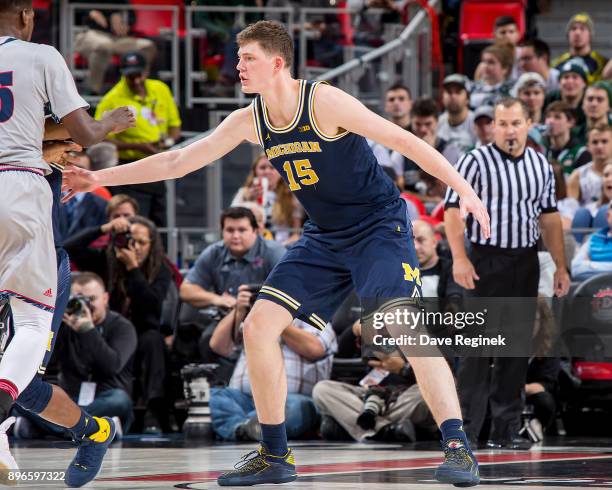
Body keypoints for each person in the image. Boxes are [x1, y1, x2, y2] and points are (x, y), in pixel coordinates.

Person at [62, 20, 491, 487]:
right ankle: (274, 453)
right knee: (259, 325)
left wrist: (463, 190)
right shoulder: (250, 119)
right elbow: (178, 160)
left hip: (377, 227)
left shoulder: (324, 101)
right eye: (238, 57)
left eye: (248, 59)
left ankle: (457, 447)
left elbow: (403, 141)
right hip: (325, 234)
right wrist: (100, 179)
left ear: (277, 62)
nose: (238, 66)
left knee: (403, 325)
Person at [0, 0, 134, 483]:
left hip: (39, 246)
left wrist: (55, 141)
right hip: (20, 213)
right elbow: (84, 130)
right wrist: (108, 124)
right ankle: (91, 432)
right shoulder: (39, 64)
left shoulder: (46, 141)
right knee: (21, 380)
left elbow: (68, 138)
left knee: (22, 367)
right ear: (28, 17)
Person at [444, 97, 570, 450]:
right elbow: (453, 211)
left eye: (516, 123)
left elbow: (549, 217)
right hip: (484, 260)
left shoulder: (541, 165)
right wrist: (459, 258)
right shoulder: (474, 161)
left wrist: (560, 266)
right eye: (503, 124)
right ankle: (468, 429)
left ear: (529, 124)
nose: (509, 130)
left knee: (514, 351)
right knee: (477, 351)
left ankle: (506, 429)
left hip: (525, 261)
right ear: (492, 127)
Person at [209, 285, 336, 441]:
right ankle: (245, 428)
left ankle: (249, 426)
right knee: (214, 396)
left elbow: (314, 349)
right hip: (245, 399)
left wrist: (276, 323)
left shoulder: (315, 320)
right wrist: (239, 310)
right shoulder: (254, 322)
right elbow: (218, 346)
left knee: (297, 407)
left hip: (291, 400)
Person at [95, 52, 182, 227]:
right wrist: (138, 146)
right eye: (129, 76)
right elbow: (98, 136)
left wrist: (168, 142)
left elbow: (175, 126)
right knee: (136, 222)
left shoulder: (160, 89)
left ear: (146, 71)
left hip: (158, 163)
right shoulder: (113, 98)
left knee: (159, 222)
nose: (134, 81)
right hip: (129, 166)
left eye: (138, 75)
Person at [73, 4, 156, 94]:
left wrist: (124, 22)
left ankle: (138, 85)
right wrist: (89, 12)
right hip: (91, 34)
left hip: (117, 38)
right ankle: (94, 91)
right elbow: (63, 8)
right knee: (103, 46)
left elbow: (131, 16)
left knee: (147, 46)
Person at [231, 154, 303, 244]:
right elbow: (231, 220)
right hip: (250, 245)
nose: (267, 171)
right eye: (262, 167)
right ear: (255, 171)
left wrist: (279, 248)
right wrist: (247, 200)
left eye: (272, 168)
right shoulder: (244, 193)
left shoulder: (291, 195)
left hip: (282, 245)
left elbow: (295, 234)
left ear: (281, 172)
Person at [552, 13, 608, 84]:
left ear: (590, 35)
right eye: (573, 29)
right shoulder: (557, 63)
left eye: (582, 29)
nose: (577, 33)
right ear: (568, 34)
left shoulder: (602, 63)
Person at [542, 101, 591, 177]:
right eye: (548, 117)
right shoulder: (542, 150)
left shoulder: (581, 153)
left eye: (557, 117)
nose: (550, 121)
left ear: (571, 122)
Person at [567, 125, 612, 206]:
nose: (599, 146)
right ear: (588, 147)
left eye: (604, 141)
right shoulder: (577, 176)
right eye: (595, 142)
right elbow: (570, 213)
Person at [544, 60, 588, 130]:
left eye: (575, 77)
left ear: (584, 83)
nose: (570, 81)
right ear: (559, 83)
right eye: (566, 77)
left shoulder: (591, 100)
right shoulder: (550, 98)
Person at [437, 74, 476, 153]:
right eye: (449, 92)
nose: (453, 96)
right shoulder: (437, 122)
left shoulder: (477, 122)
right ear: (442, 98)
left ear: (468, 98)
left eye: (458, 92)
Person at [469, 44, 514, 110]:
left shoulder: (512, 89)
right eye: (484, 61)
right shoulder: (472, 88)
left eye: (491, 62)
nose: (485, 66)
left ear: (505, 68)